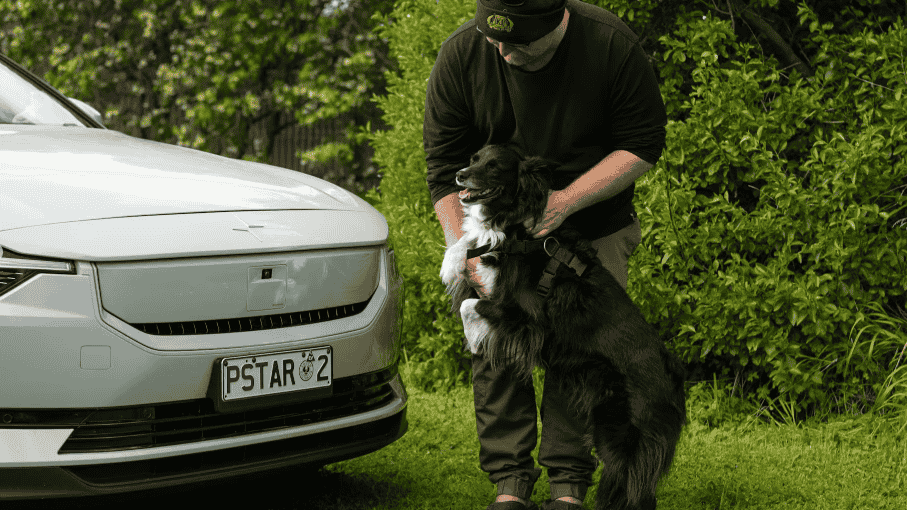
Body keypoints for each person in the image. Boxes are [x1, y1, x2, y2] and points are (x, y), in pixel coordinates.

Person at [424, 1, 667, 509]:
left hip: (593, 224)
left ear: (556, 22)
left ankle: (568, 489)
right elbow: (444, 165)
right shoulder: (463, 54)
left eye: (518, 43)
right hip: (498, 231)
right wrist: (464, 247)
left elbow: (643, 143)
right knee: (496, 337)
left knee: (580, 352)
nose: (503, 52)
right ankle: (510, 485)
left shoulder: (609, 45)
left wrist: (564, 204)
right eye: (494, 39)